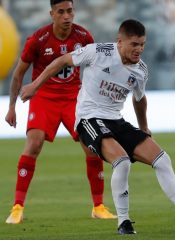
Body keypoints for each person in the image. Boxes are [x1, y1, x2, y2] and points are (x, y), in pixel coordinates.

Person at [20, 19, 175, 234]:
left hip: (116, 121)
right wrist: (34, 85)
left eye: (142, 44)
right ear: (120, 42)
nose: (139, 49)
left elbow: (139, 99)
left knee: (162, 159)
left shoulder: (141, 70)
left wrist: (144, 128)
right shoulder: (98, 52)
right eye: (134, 44)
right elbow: (61, 62)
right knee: (122, 162)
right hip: (89, 119)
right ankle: (123, 222)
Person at [4, 0, 116, 224]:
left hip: (74, 98)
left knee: (91, 146)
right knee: (34, 144)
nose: (67, 16)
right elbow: (18, 74)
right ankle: (17, 207)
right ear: (52, 14)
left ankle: (98, 206)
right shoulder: (38, 40)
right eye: (61, 12)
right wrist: (12, 107)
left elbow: (96, 69)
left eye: (70, 11)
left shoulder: (83, 37)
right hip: (44, 97)